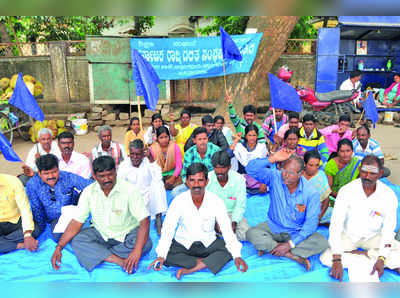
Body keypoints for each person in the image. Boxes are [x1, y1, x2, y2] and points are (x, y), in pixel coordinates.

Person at [51, 156, 152, 273]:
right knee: (78, 240)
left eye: (110, 174)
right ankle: (118, 260)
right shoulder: (88, 192)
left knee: (146, 244)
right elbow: (76, 222)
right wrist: (59, 247)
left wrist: (137, 251)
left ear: (115, 172)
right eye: (102, 176)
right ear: (94, 176)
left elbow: (144, 221)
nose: (107, 179)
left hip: (127, 234)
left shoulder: (130, 190)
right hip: (101, 233)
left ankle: (99, 254)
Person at [148, 163, 248, 279]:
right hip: (183, 245)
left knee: (229, 250)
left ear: (207, 182)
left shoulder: (216, 201)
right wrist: (161, 255)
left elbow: (226, 229)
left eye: (200, 180)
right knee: (166, 255)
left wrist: (237, 256)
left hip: (208, 244)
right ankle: (205, 262)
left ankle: (193, 267)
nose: (196, 185)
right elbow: (168, 230)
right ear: (187, 182)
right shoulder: (178, 201)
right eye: (192, 180)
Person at [320, 155, 400, 281]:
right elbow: (336, 224)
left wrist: (382, 258)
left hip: (373, 237)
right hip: (348, 236)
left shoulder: (388, 195)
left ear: (380, 174)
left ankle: (365, 255)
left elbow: (388, 229)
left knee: (396, 249)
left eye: (372, 173)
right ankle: (372, 258)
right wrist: (336, 259)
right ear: (359, 171)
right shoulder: (346, 191)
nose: (367, 176)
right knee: (326, 257)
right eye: (364, 171)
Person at [245, 155, 329, 271]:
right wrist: (272, 158)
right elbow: (250, 169)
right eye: (284, 170)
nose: (285, 175)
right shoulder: (275, 177)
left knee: (322, 242)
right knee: (251, 233)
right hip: (273, 226)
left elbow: (311, 223)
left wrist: (290, 244)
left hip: (296, 232)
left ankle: (269, 247)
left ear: (300, 174)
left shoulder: (311, 192)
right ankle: (290, 255)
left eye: (290, 173)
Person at [26, 154, 92, 241]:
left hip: (71, 211)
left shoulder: (67, 177)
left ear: (58, 169)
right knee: (58, 236)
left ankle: (89, 228)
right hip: (54, 218)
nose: (51, 176)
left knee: (89, 191)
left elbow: (89, 185)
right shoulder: (33, 184)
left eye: (54, 172)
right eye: (46, 173)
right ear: (39, 173)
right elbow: (37, 209)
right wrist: (41, 228)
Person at [118, 139, 167, 235]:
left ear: (143, 154)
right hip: (132, 201)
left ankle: (158, 219)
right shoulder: (124, 166)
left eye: (138, 154)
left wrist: (151, 158)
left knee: (158, 184)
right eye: (132, 154)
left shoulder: (148, 162)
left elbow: (158, 176)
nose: (134, 157)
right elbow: (119, 185)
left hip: (148, 200)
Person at [206, 151, 250, 241]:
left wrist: (234, 223)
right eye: (216, 168)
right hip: (212, 214)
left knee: (246, 234)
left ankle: (219, 235)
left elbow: (240, 206)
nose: (219, 171)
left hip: (232, 214)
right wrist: (214, 222)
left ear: (230, 167)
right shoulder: (208, 179)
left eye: (223, 168)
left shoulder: (239, 179)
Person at [171, 127, 221, 198]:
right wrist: (195, 187)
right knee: (175, 192)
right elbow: (185, 175)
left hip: (212, 183)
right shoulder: (189, 153)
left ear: (208, 139)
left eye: (204, 139)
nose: (203, 142)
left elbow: (220, 171)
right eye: (199, 139)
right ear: (194, 140)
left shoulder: (216, 150)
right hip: (194, 184)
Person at [0, 174, 40, 253]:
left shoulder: (13, 181)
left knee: (35, 229)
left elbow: (24, 208)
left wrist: (27, 235)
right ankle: (21, 245)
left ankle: (5, 244)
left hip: (16, 221)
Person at [232, 124, 268, 194]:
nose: (252, 138)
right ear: (246, 136)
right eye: (249, 135)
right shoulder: (239, 147)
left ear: (257, 136)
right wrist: (236, 141)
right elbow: (228, 154)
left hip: (258, 183)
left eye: (254, 135)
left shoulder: (262, 147)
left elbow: (266, 166)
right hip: (242, 182)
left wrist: (265, 183)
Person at [150, 126, 182, 190]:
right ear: (157, 138)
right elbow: (151, 167)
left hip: (173, 174)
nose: (164, 140)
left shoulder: (175, 146)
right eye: (161, 137)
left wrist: (173, 178)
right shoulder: (153, 148)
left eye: (166, 137)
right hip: (159, 176)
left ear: (169, 137)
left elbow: (179, 165)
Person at [302, 150, 331, 223]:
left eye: (317, 165)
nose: (314, 168)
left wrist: (319, 217)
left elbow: (326, 199)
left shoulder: (320, 176)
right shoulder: (299, 176)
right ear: (304, 164)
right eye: (311, 165)